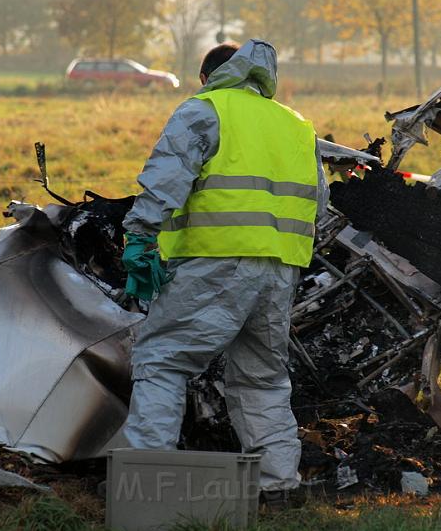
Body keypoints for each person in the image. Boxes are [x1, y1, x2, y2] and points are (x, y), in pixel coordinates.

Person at [120, 39, 328, 502]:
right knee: (263, 377)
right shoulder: (296, 124)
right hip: (280, 270)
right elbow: (320, 204)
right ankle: (279, 486)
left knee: (161, 359)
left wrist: (139, 238)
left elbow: (165, 180)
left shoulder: (204, 109)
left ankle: (144, 482)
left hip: (216, 260)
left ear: (206, 77)